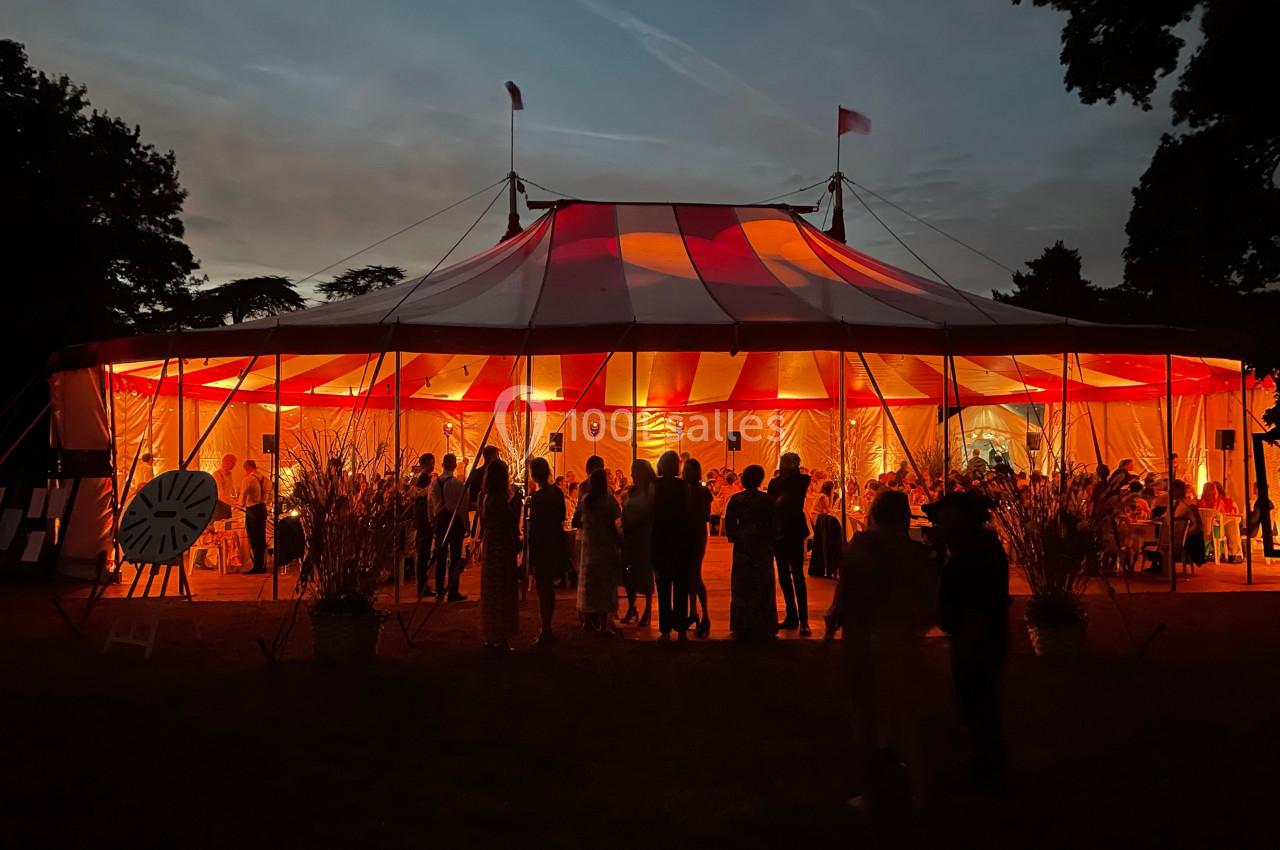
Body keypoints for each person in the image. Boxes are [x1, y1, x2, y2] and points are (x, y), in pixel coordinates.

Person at [826, 489, 937, 810]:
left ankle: (874, 791)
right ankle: (921, 788)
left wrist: (834, 623)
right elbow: (930, 606)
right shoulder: (916, 554)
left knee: (864, 716)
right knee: (903, 717)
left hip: (865, 638)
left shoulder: (862, 546)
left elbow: (844, 594)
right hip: (901, 638)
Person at [931, 491, 1010, 791]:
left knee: (978, 701)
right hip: (980, 633)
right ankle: (988, 761)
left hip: (975, 635)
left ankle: (987, 767)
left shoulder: (972, 553)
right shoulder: (981, 547)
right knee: (980, 701)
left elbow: (957, 596)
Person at [725, 465, 776, 640]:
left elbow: (730, 525)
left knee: (742, 583)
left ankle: (742, 623)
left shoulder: (737, 499)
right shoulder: (768, 500)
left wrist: (736, 535)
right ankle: (764, 623)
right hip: (762, 545)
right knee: (763, 584)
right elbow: (773, 524)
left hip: (744, 545)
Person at [768, 451, 812, 635]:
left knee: (796, 575)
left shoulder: (798, 480)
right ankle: (793, 615)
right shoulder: (786, 481)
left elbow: (780, 499)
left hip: (789, 529)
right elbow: (773, 502)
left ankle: (802, 619)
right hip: (782, 529)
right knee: (786, 575)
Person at [527, 457, 569, 644]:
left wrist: (532, 551)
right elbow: (562, 516)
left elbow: (535, 526)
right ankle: (547, 625)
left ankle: (545, 627)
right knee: (549, 588)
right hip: (555, 542)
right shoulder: (557, 493)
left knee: (543, 588)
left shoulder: (538, 498)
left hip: (543, 544)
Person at [479, 460, 520, 651]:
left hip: (491, 544)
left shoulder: (485, 497)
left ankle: (491, 633)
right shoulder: (499, 499)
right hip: (501, 545)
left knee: (491, 589)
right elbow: (510, 520)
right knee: (502, 589)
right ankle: (500, 635)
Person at [652, 450, 692, 641]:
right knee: (681, 586)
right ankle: (681, 629)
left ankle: (665, 629)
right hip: (680, 540)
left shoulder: (655, 486)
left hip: (661, 539)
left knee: (663, 587)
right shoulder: (683, 486)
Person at [577, 467, 622, 634]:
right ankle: (603, 625)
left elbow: (576, 520)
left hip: (589, 547)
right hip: (605, 546)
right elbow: (617, 521)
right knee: (604, 585)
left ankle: (587, 622)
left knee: (590, 585)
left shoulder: (586, 500)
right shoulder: (609, 500)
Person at [621, 458, 656, 627]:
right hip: (630, 537)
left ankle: (648, 610)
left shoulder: (650, 490)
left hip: (644, 537)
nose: (631, 475)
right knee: (628, 573)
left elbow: (651, 512)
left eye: (634, 471)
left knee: (645, 572)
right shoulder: (632, 491)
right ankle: (631, 606)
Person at [430, 453, 468, 601]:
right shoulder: (458, 484)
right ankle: (453, 590)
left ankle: (440, 591)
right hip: (455, 520)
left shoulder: (434, 484)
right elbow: (463, 506)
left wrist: (433, 521)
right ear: (453, 466)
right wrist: (466, 524)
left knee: (441, 556)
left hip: (440, 520)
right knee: (455, 557)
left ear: (442, 464)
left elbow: (430, 505)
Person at [684, 458, 713, 638]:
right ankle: (693, 612)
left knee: (695, 574)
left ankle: (704, 615)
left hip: (695, 535)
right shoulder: (685, 489)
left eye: (687, 470)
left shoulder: (702, 492)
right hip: (687, 535)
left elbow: (705, 516)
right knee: (689, 576)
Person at [809, 480, 843, 579]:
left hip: (819, 517)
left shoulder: (822, 495)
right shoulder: (824, 497)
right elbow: (827, 510)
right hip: (818, 518)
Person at [412, 453, 435, 595]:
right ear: (426, 464)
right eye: (432, 463)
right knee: (423, 554)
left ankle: (423, 585)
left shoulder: (422, 480)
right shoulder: (424, 481)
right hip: (424, 522)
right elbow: (424, 501)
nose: (433, 466)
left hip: (422, 522)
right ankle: (422, 586)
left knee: (424, 554)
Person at [241, 459, 267, 574]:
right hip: (262, 509)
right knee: (261, 538)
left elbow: (242, 497)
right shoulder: (264, 479)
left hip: (252, 510)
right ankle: (262, 564)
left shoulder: (248, 479)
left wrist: (239, 504)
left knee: (254, 538)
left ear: (247, 468)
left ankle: (257, 566)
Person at [213, 453, 238, 521]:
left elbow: (230, 490)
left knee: (228, 526)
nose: (234, 465)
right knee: (218, 526)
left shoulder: (230, 475)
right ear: (227, 462)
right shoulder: (217, 475)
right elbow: (220, 495)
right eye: (233, 463)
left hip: (227, 504)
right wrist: (234, 503)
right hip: (219, 506)